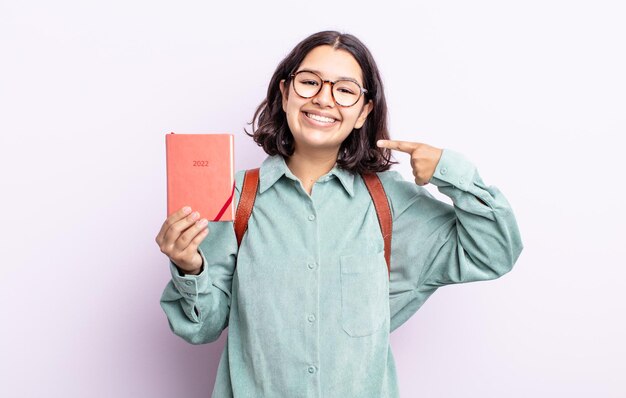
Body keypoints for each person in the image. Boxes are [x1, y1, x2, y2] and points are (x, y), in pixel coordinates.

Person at [155, 30, 523, 398]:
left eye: (345, 90)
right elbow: (201, 328)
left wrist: (451, 172)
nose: (323, 98)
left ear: (364, 111)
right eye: (309, 82)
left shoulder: (389, 201)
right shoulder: (234, 197)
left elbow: (494, 252)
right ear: (284, 93)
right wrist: (190, 267)